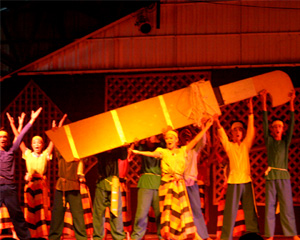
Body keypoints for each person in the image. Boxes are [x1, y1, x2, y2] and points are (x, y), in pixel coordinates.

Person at [130, 119, 213, 240]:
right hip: (167, 185)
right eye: (167, 138)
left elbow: (196, 141)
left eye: (171, 138)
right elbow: (150, 153)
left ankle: (181, 235)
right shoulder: (162, 151)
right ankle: (167, 236)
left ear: (176, 140)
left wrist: (207, 127)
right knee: (167, 212)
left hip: (179, 185)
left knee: (181, 211)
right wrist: (135, 151)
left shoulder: (183, 150)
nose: (169, 140)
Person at [8, 112, 67, 238]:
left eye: (39, 142)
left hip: (41, 185)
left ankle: (42, 234)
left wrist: (56, 130)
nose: (36, 144)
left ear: (42, 145)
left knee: (42, 211)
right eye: (34, 142)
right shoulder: (28, 153)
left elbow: (53, 142)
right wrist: (14, 124)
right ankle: (28, 234)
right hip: (30, 185)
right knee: (29, 210)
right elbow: (18, 138)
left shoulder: (46, 154)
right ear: (31, 144)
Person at [213, 98, 260, 240]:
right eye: (235, 130)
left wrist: (251, 111)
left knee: (249, 210)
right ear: (232, 133)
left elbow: (251, 130)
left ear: (243, 132)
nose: (238, 132)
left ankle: (253, 234)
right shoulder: (230, 147)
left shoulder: (246, 145)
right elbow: (222, 136)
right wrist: (217, 121)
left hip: (246, 181)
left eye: (240, 129)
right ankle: (226, 237)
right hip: (233, 182)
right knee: (230, 211)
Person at [260, 89, 300, 240]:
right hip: (271, 176)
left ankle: (292, 233)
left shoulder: (285, 142)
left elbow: (292, 122)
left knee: (287, 206)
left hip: (283, 175)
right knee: (269, 206)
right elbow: (264, 122)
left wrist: (291, 102)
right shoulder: (269, 141)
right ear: (271, 130)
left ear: (283, 130)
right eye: (275, 126)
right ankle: (269, 235)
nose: (277, 128)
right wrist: (263, 101)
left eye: (280, 127)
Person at [0, 107, 42, 240]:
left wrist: (32, 119)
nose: (3, 139)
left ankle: (25, 238)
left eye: (5, 137)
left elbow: (21, 134)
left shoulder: (11, 151)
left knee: (17, 215)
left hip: (9, 188)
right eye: (0, 137)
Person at [48, 115, 88, 240]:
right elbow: (57, 143)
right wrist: (57, 133)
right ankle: (54, 237)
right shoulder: (61, 149)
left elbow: (84, 157)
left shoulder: (79, 150)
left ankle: (82, 237)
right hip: (61, 185)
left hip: (74, 185)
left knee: (78, 214)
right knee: (57, 214)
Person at [180, 126, 212, 240]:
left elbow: (202, 142)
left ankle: (203, 235)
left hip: (192, 183)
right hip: (181, 183)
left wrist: (203, 128)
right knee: (181, 210)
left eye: (188, 136)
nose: (187, 138)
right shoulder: (179, 152)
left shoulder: (194, 151)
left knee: (197, 209)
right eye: (184, 136)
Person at [130, 135, 164, 240]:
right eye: (148, 136)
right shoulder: (142, 147)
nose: (150, 137)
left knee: (161, 213)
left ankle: (162, 236)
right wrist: (136, 143)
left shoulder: (161, 147)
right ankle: (137, 236)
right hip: (145, 182)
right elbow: (131, 151)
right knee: (141, 212)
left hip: (159, 183)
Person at [92, 146, 129, 240]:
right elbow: (94, 151)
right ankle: (98, 237)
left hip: (114, 184)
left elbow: (124, 156)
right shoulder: (100, 149)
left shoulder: (116, 149)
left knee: (115, 212)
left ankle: (118, 237)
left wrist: (123, 146)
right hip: (102, 183)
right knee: (99, 213)